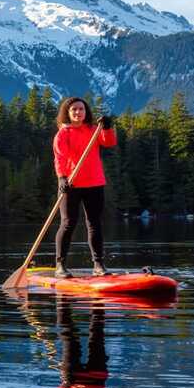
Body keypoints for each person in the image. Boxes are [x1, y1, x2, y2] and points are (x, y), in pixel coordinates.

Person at [53, 97, 117, 278]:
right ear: (67, 112)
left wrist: (107, 127)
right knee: (68, 223)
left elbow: (109, 142)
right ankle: (60, 266)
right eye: (74, 109)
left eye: (81, 109)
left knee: (94, 223)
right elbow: (60, 158)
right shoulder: (63, 133)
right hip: (71, 184)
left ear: (86, 112)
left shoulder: (93, 130)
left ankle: (98, 265)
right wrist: (62, 178)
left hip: (94, 183)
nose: (78, 112)